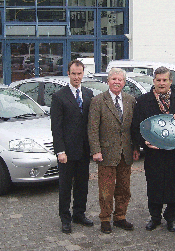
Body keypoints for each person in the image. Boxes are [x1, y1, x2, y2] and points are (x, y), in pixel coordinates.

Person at [132, 66, 175, 232]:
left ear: (171, 81)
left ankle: (171, 217)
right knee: (154, 185)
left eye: (165, 80)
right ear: (154, 81)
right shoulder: (143, 101)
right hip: (154, 153)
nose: (161, 83)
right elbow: (136, 127)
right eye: (158, 80)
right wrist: (144, 143)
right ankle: (155, 217)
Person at [88, 68, 138, 234]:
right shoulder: (98, 101)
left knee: (124, 188)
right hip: (106, 153)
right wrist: (96, 150)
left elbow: (134, 128)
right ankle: (105, 218)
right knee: (106, 189)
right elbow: (93, 128)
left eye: (120, 79)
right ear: (108, 81)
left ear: (124, 82)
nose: (117, 82)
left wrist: (136, 148)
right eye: (114, 79)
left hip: (126, 152)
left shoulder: (131, 100)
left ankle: (120, 217)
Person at [51, 60, 94, 234]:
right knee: (65, 186)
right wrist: (60, 151)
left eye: (79, 73)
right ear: (68, 74)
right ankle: (65, 218)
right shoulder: (59, 96)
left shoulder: (88, 93)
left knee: (82, 184)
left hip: (84, 149)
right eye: (73, 73)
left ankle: (79, 213)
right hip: (67, 152)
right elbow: (56, 126)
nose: (76, 77)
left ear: (83, 74)